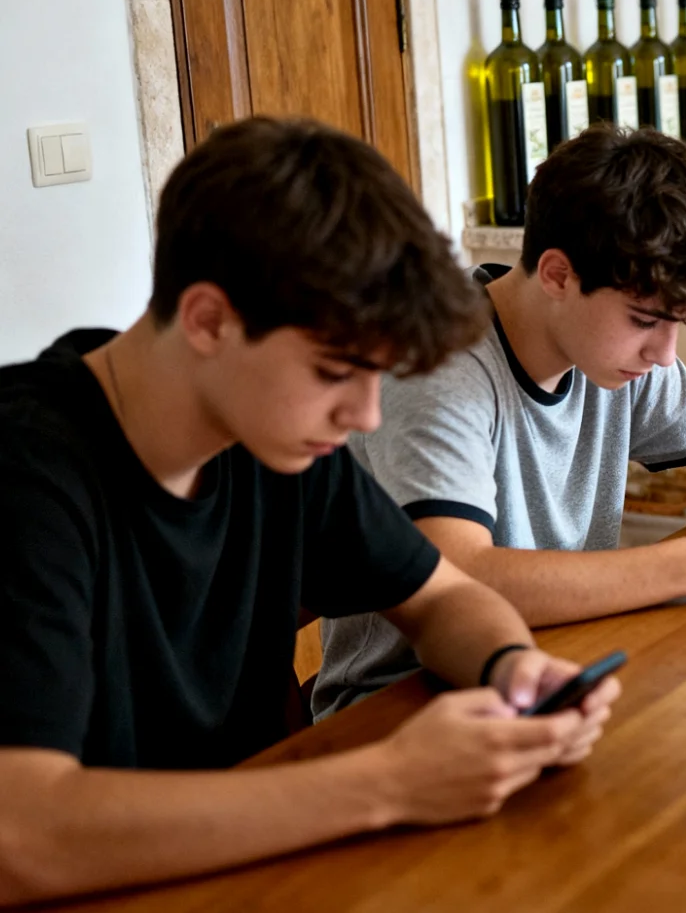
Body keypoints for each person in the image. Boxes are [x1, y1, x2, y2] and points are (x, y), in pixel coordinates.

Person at [0, 119, 622, 907]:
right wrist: (389, 781)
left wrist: (512, 670)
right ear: (208, 320)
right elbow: (23, 834)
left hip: (268, 864)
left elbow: (444, 597)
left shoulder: (272, 437)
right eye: (336, 373)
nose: (365, 415)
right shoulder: (28, 477)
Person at [313, 125, 686, 717]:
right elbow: (456, 578)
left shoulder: (613, 355)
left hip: (560, 669)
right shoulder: (438, 371)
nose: (666, 354)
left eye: (677, 324)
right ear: (557, 275)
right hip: (403, 706)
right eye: (645, 320)